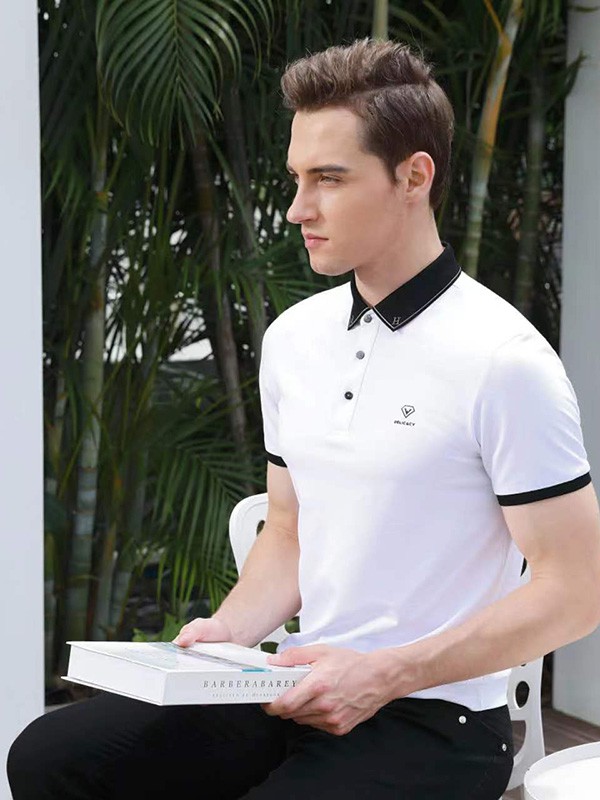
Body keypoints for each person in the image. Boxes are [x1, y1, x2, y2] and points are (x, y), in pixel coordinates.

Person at [8, 39, 600, 800]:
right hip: (293, 686)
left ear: (414, 176)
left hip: (434, 716)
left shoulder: (504, 360)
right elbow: (287, 529)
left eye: (329, 178)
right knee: (52, 756)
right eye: (297, 178)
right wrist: (229, 631)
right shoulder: (295, 339)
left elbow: (576, 588)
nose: (297, 208)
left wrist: (387, 672)